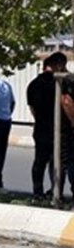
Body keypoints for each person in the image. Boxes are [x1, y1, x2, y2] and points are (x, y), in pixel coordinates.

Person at [27, 52, 73, 199]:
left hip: (41, 128)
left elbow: (32, 109)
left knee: (40, 160)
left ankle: (37, 192)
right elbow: (66, 102)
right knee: (61, 162)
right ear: (58, 65)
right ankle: (56, 192)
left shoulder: (33, 84)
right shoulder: (61, 82)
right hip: (61, 129)